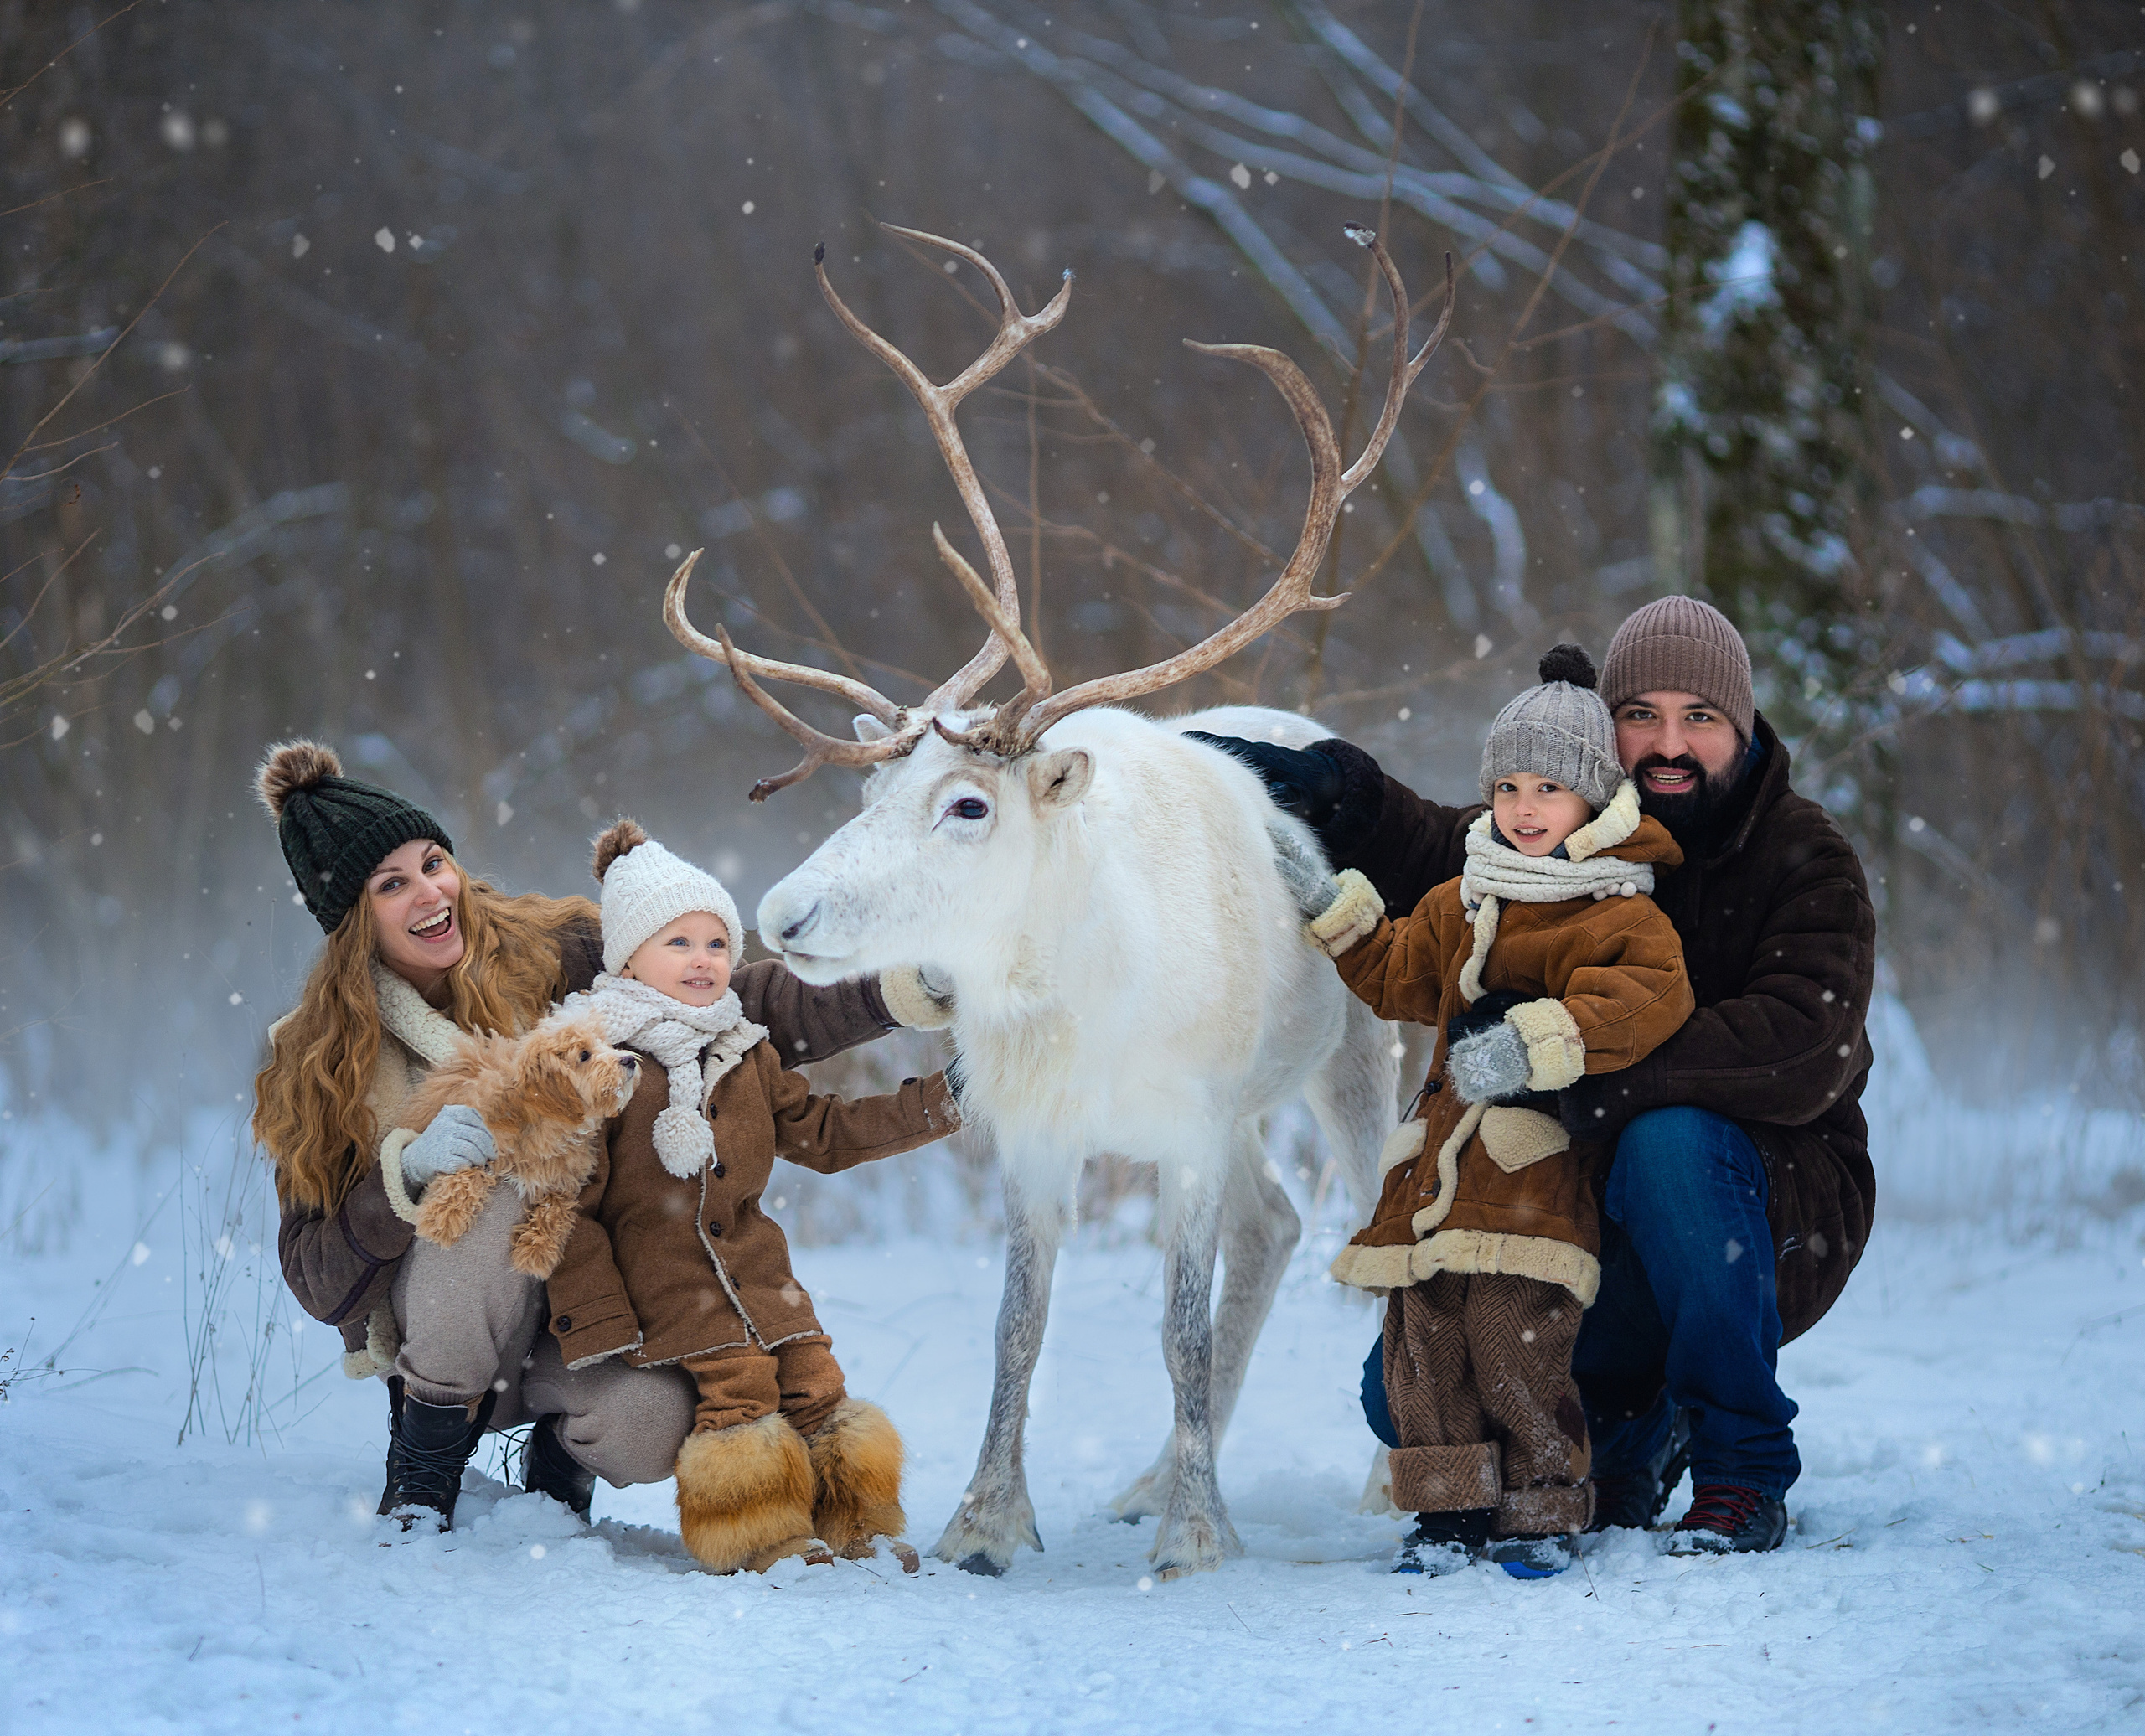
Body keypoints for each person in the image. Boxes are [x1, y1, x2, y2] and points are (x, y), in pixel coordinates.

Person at [1198, 597, 1876, 1554]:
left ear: (1742, 724)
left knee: (1669, 1139)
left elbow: (1806, 1043)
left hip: (1762, 1207)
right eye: (1642, 714)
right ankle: (1628, 1430)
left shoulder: (1802, 858)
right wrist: (1336, 794)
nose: (1669, 742)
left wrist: (1564, 1070)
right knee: (1399, 1402)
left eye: (1701, 718)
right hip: (1561, 1193)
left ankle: (1742, 1465)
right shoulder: (1569, 827)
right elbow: (1445, 852)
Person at [251, 740, 956, 1531]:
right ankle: (421, 1481)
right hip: (448, 1323)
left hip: (581, 1304)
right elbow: (313, 1275)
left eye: (434, 862)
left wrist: (900, 985)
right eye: (393, 884)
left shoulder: (556, 951)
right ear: (352, 921)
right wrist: (403, 1177)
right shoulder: (316, 1057)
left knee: (654, 1423)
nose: (431, 893)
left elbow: (727, 1001)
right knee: (494, 1184)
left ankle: (560, 1461)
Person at [1305, 646, 1693, 1577]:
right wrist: (1339, 913)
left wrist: (1533, 1040)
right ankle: (1445, 1519)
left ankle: (1541, 1508)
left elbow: (1646, 998)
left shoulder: (1616, 912)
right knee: (1421, 1350)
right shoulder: (1460, 895)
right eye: (1509, 785)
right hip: (1433, 1176)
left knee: (1516, 1352)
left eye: (1550, 787)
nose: (1523, 807)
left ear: (1593, 798)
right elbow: (1398, 975)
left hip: (1531, 1180)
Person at [544, 820, 959, 1573]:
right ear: (630, 960)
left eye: (716, 944)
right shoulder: (597, 1062)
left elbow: (824, 1133)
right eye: (679, 943)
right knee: (741, 1394)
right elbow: (569, 1208)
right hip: (670, 1285)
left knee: (816, 1384)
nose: (703, 961)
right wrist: (598, 1319)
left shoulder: (745, 1050)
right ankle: (757, 1537)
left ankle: (858, 1525)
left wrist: (940, 1103)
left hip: (763, 1278)